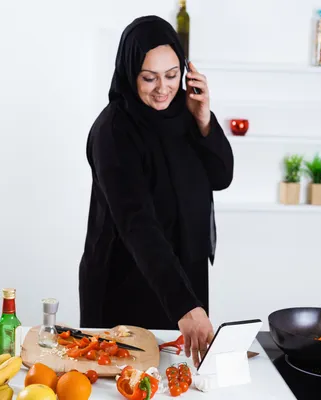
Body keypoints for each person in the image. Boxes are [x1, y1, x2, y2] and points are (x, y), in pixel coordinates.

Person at [78, 15, 234, 367]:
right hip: (126, 280)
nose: (163, 88)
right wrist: (186, 306)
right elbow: (137, 223)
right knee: (125, 381)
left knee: (178, 379)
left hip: (182, 276)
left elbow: (221, 175)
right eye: (149, 77)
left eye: (172, 75)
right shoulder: (113, 131)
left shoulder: (185, 113)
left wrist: (204, 118)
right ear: (129, 72)